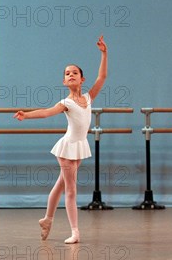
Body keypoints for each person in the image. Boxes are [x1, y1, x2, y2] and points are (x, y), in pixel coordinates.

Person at [13, 36, 108, 244]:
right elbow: (47, 112)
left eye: (74, 72)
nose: (71, 75)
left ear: (82, 79)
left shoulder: (89, 98)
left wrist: (103, 53)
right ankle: (75, 231)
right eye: (67, 73)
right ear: (64, 81)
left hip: (79, 146)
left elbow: (102, 77)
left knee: (61, 185)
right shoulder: (66, 103)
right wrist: (27, 115)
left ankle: (47, 219)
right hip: (67, 148)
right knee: (72, 188)